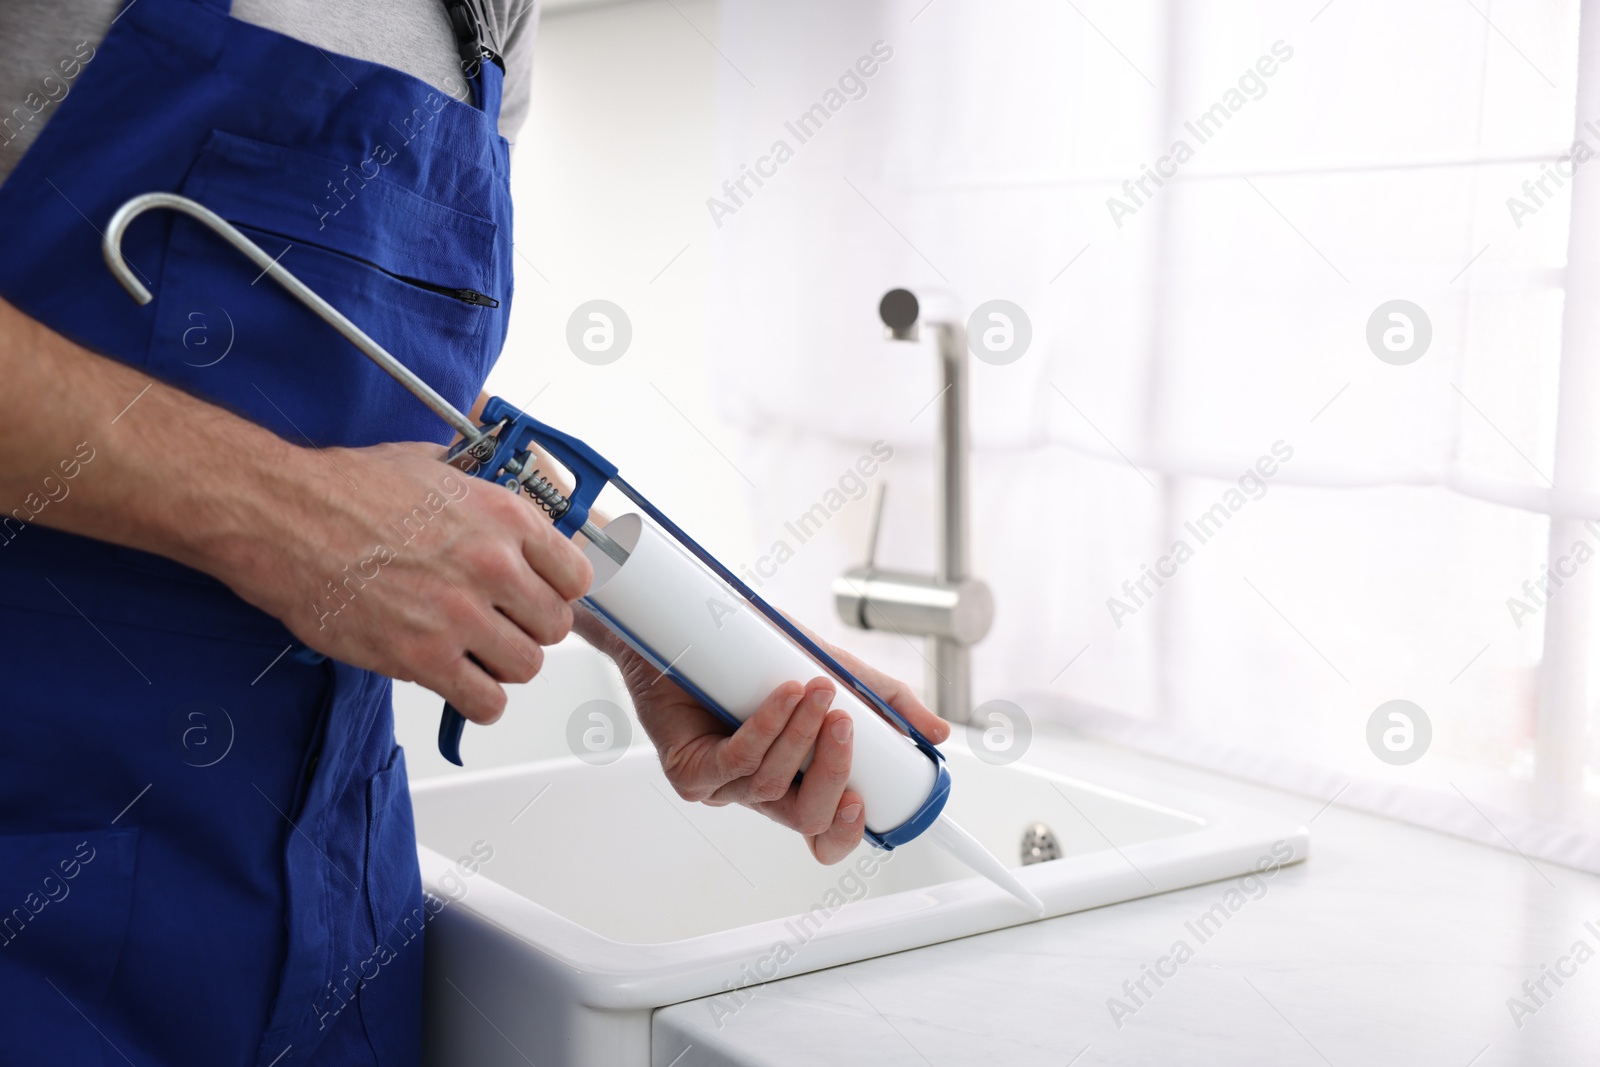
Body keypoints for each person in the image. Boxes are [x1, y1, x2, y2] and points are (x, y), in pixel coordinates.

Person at [0, 1, 949, 1064]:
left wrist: (646, 616)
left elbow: (369, 385)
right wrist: (274, 514)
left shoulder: (491, 22)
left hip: (336, 922)